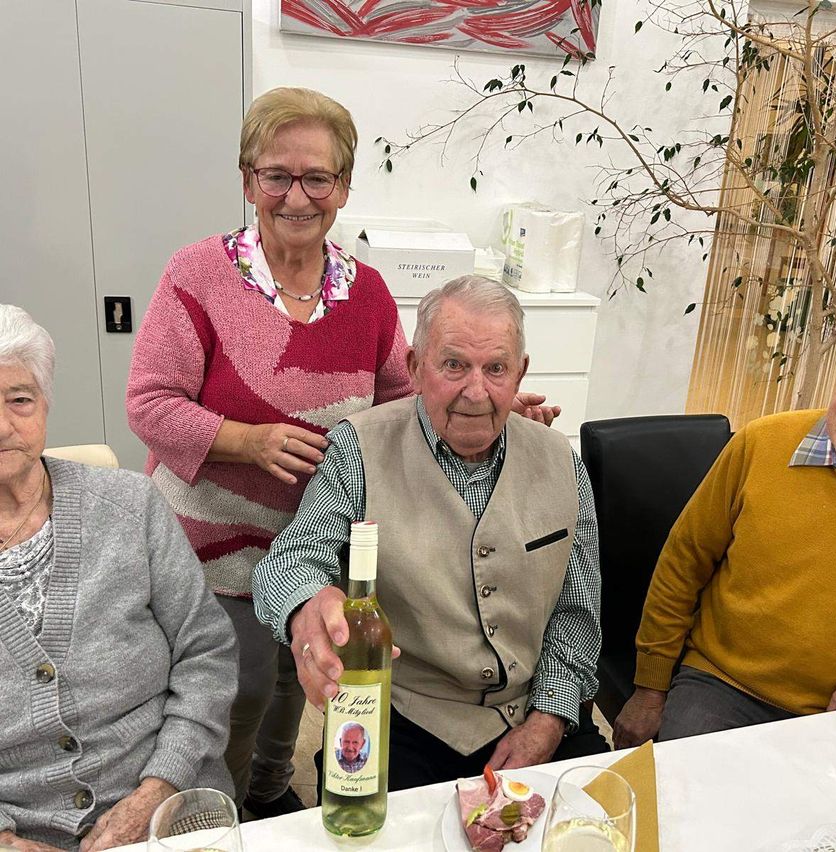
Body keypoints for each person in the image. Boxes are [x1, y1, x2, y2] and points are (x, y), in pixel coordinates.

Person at [126, 87, 556, 816]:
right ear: (247, 181)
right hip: (214, 555)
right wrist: (247, 442)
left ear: (344, 188)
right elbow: (148, 403)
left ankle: (267, 798)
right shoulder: (197, 275)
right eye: (277, 175)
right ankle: (207, 816)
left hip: (321, 546)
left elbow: (406, 394)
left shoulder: (369, 295)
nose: (297, 196)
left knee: (302, 687)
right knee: (232, 697)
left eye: (317, 178)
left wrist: (486, 397)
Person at [253, 275, 607, 792]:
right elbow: (291, 560)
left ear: (520, 373)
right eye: (454, 365)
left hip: (529, 709)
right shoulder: (360, 449)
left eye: (496, 369)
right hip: (407, 718)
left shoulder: (563, 465)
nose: (476, 390)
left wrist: (548, 722)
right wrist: (307, 608)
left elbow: (577, 613)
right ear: (415, 367)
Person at [0, 305, 237, 852]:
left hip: (167, 803)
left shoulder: (130, 506)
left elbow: (206, 652)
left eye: (20, 399)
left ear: (45, 406)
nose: (5, 424)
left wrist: (160, 788)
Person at [613, 338, 836, 749]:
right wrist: (650, 689)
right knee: (687, 803)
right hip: (721, 684)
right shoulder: (762, 444)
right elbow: (682, 563)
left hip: (834, 712)